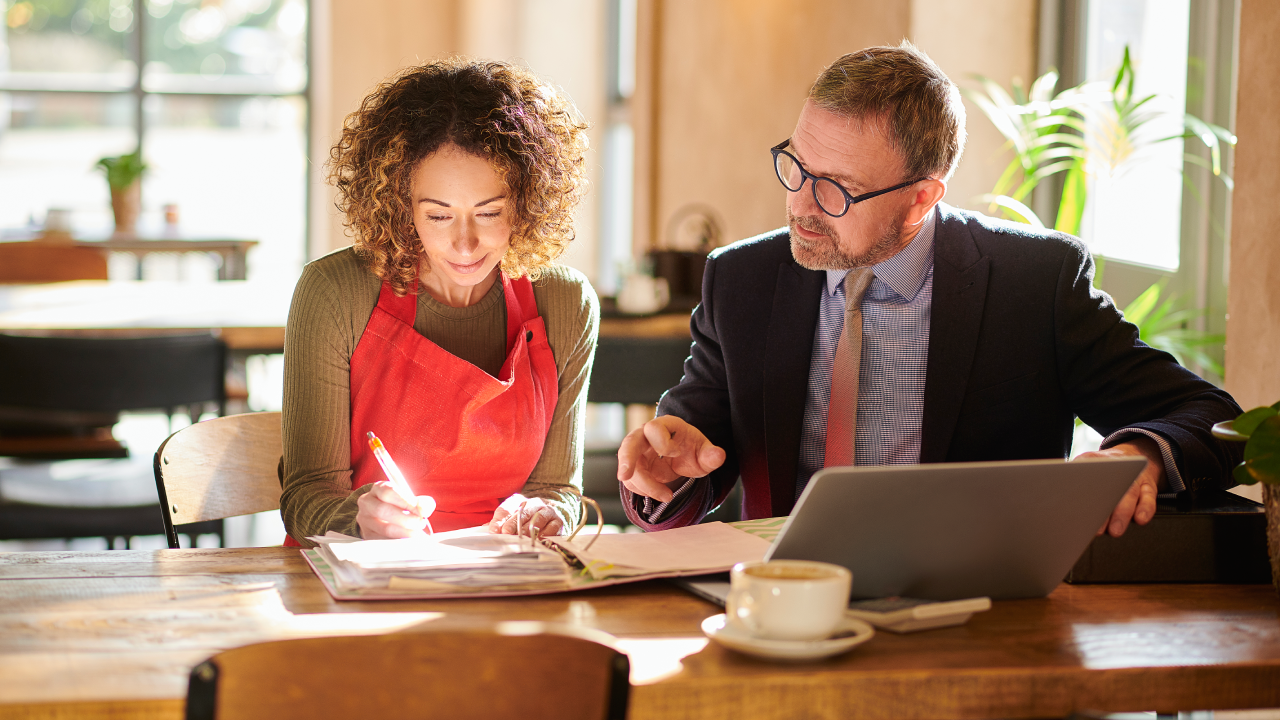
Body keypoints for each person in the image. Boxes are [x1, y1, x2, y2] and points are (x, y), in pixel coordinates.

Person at [617, 42, 1243, 536]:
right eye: (796, 166)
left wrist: (1142, 453)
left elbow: (1211, 418)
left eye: (834, 187)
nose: (801, 205)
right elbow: (686, 454)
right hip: (784, 613)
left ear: (922, 198)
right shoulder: (743, 279)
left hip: (975, 616)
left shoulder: (1032, 285)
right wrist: (661, 474)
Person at [280, 59, 598, 547]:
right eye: (439, 216)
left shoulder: (564, 302)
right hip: (366, 579)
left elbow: (559, 489)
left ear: (527, 202)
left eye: (489, 213)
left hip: (510, 578)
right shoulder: (335, 292)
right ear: (401, 207)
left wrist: (548, 511)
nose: (465, 244)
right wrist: (357, 517)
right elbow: (304, 498)